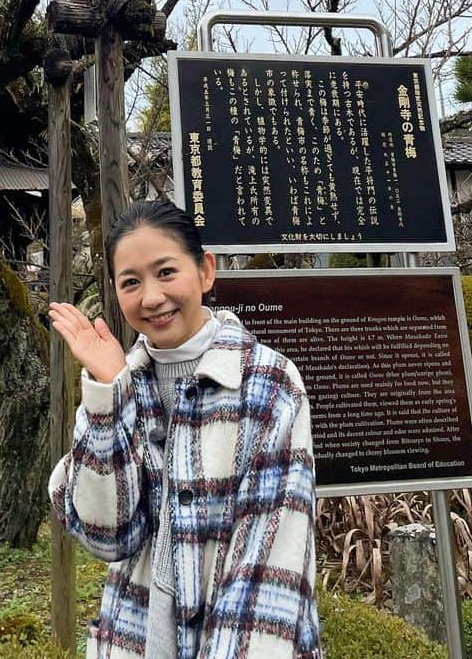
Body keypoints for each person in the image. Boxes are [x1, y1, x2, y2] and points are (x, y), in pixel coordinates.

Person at [49, 198, 322, 658]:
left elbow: (266, 564)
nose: (151, 297)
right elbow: (108, 536)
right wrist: (107, 392)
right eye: (131, 282)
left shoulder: (269, 384)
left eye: (166, 272)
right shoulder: (124, 382)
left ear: (206, 271)